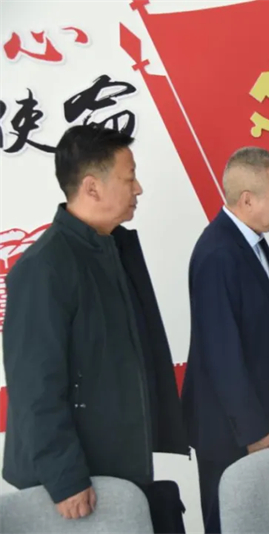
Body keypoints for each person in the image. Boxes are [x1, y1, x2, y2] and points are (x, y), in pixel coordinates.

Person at [2, 124, 189, 528]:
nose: (138, 189)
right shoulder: (43, 268)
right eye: (129, 178)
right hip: (73, 485)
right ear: (92, 187)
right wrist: (65, 477)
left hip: (114, 466)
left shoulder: (112, 249)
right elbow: (34, 387)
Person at [181, 147, 269, 533]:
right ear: (248, 199)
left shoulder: (250, 242)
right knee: (230, 523)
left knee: (260, 520)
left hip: (260, 419)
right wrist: (254, 431)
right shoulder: (218, 253)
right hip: (233, 431)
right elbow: (222, 355)